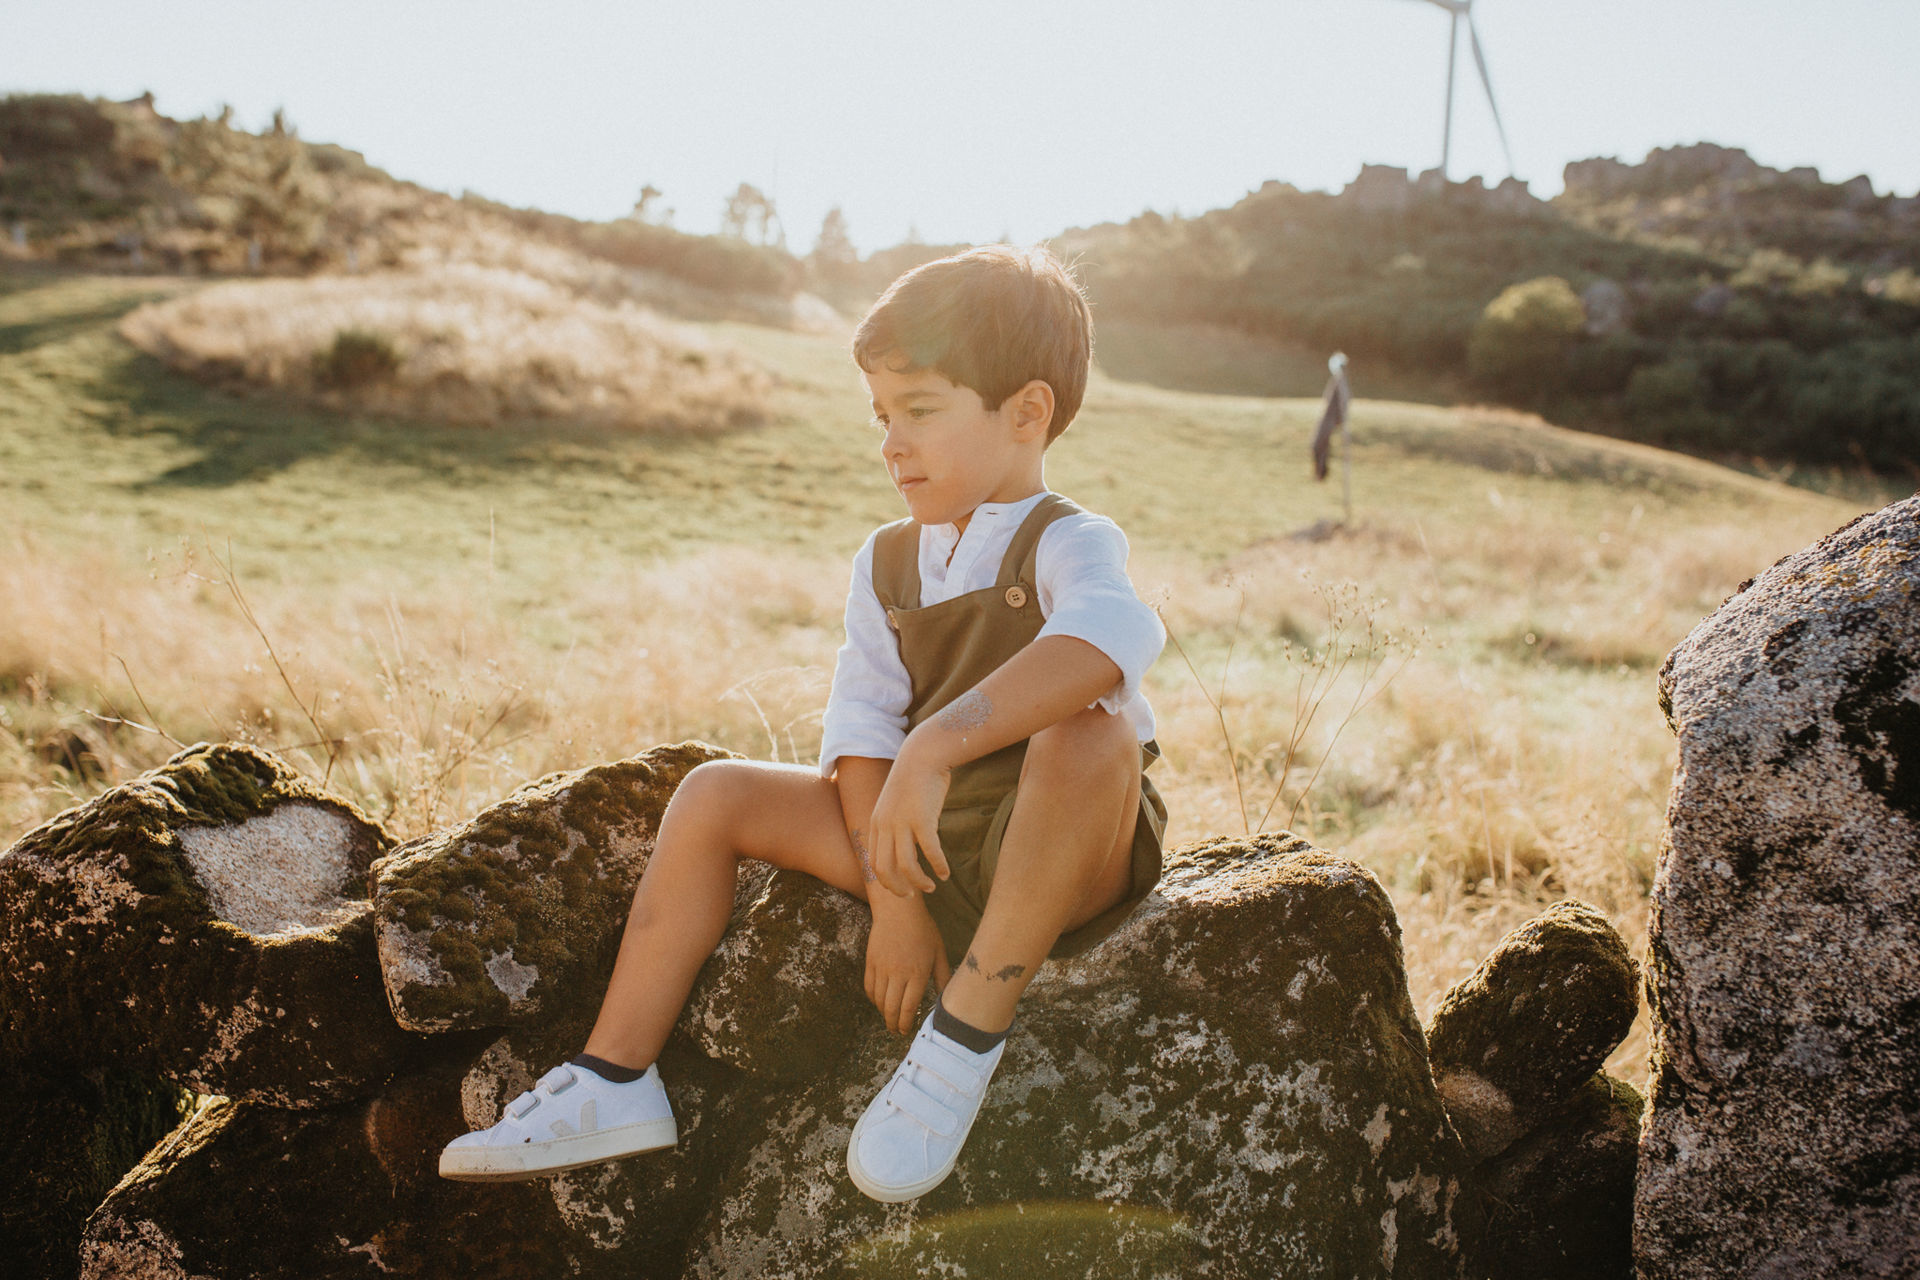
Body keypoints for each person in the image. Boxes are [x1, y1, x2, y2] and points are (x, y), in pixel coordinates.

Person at [439, 244, 1167, 1203]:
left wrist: (938, 744)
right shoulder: (886, 563)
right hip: (919, 851)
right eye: (881, 416)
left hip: (1062, 852)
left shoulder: (1068, 540)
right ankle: (616, 1078)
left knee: (1092, 729)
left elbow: (1115, 636)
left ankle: (965, 1036)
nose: (890, 444)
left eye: (920, 411)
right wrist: (895, 900)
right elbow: (858, 738)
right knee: (714, 795)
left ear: (1027, 413)